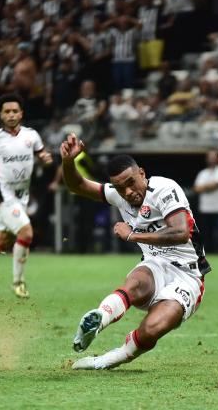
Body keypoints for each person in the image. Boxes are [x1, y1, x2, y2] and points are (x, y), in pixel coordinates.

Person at [60, 134, 210, 370]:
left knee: (151, 330)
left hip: (187, 275)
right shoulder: (120, 195)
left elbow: (181, 232)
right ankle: (98, 319)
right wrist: (68, 162)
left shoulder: (164, 189)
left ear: (142, 172)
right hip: (155, 264)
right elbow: (77, 185)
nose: (128, 192)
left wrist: (133, 235)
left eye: (131, 183)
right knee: (136, 282)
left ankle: (107, 360)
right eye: (120, 188)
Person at [0, 94, 53, 299]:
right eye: (7, 111)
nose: (11, 115)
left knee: (4, 239)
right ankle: (18, 282)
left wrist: (45, 159)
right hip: (2, 195)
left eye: (15, 111)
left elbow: (42, 157)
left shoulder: (32, 136)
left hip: (21, 196)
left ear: (21, 113)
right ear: (1, 115)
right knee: (26, 233)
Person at [193, 149, 218, 253]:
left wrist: (204, 186)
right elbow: (196, 189)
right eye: (209, 156)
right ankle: (208, 252)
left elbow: (216, 185)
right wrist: (209, 185)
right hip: (206, 209)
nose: (211, 158)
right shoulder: (202, 173)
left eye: (214, 156)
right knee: (206, 233)